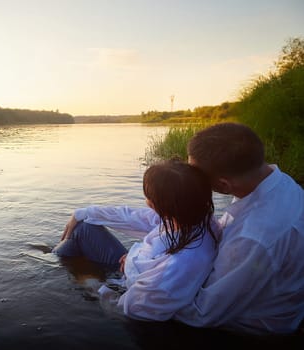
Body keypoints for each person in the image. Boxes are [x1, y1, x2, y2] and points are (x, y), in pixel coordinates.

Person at [172, 122, 304, 335]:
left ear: (224, 185)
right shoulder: (276, 180)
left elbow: (202, 314)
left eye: (196, 177)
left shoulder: (253, 237)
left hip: (244, 330)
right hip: (269, 298)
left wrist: (136, 283)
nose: (190, 181)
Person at [53, 159, 220, 321]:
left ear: (162, 205)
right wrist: (81, 213)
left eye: (149, 197)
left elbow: (131, 308)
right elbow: (130, 216)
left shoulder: (178, 266)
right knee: (84, 226)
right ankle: (56, 256)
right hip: (128, 270)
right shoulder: (194, 217)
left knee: (69, 263)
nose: (146, 202)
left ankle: (54, 262)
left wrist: (92, 285)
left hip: (125, 289)